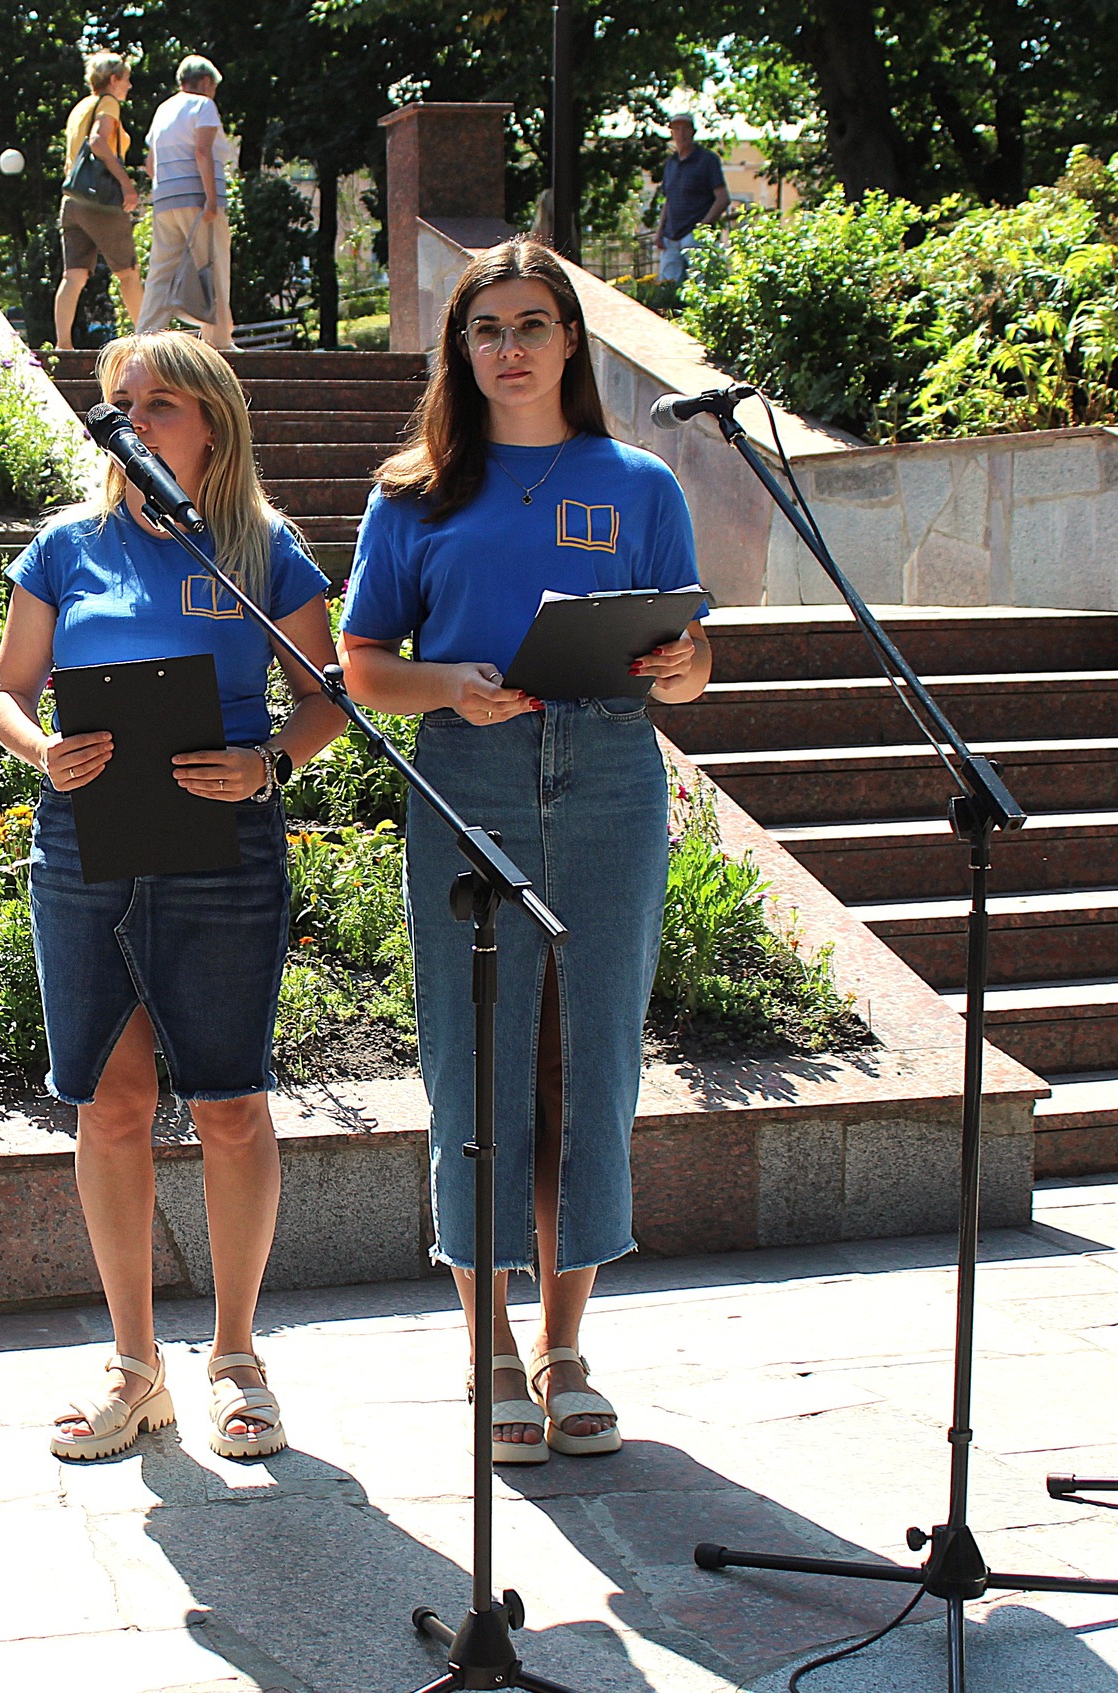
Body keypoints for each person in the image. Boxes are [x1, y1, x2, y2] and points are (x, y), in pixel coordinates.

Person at [337, 238, 710, 1463]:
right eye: (486, 328)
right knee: (477, 1054)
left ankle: (563, 1345)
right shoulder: (413, 493)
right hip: (471, 773)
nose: (509, 348)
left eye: (531, 324)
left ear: (568, 341)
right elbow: (361, 667)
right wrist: (447, 681)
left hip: (608, 771)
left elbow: (688, 665)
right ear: (460, 348)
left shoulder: (638, 484)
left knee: (588, 1059)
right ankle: (486, 1345)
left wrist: (680, 663)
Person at [0, 330, 345, 1463]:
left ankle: (236, 1359)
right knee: (111, 1103)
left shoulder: (260, 548)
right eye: (120, 404)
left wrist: (268, 763)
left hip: (222, 838)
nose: (132, 422)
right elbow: (5, 691)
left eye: (160, 405)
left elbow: (326, 696)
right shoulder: (65, 546)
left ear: (212, 425)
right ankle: (134, 1370)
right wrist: (41, 751)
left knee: (229, 1101)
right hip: (85, 837)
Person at [138, 55, 236, 348]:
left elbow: (150, 164)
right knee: (213, 265)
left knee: (161, 272)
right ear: (205, 82)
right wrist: (211, 200)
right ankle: (219, 341)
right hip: (197, 199)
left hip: (164, 201)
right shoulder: (203, 106)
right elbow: (202, 152)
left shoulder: (163, 109)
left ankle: (143, 337)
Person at [55, 51, 145, 349]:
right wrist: (126, 184)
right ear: (113, 79)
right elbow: (97, 141)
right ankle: (148, 339)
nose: (129, 85)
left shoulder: (80, 107)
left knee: (74, 275)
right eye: (126, 79)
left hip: (72, 202)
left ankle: (63, 346)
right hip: (100, 202)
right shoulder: (108, 104)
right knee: (128, 273)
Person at [653, 112, 729, 287]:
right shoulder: (671, 163)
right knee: (668, 288)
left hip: (694, 235)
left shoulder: (707, 160)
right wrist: (659, 231)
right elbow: (669, 200)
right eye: (677, 129)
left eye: (685, 129)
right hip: (671, 235)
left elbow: (723, 198)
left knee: (699, 286)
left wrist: (702, 227)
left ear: (693, 132)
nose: (681, 134)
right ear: (672, 133)